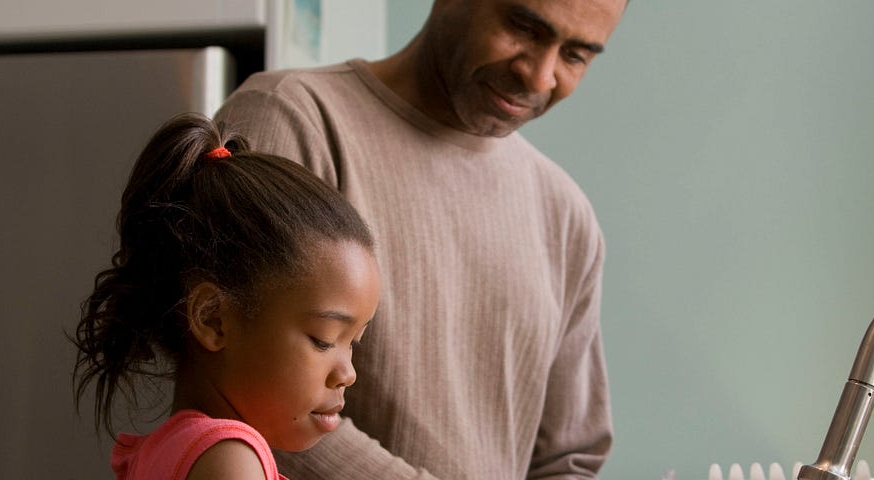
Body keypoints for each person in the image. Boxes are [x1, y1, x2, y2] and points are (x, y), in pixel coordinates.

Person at [214, 0, 627, 477]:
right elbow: (246, 390)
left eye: (575, 55)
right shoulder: (293, 120)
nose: (539, 77)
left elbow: (567, 459)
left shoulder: (565, 216)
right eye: (523, 27)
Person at [71, 113, 382, 480]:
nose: (347, 374)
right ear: (213, 319)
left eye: (353, 344)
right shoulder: (229, 459)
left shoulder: (172, 449)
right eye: (323, 340)